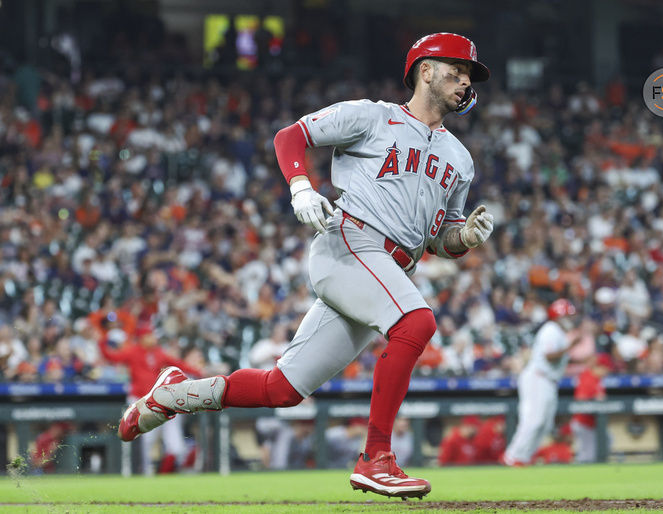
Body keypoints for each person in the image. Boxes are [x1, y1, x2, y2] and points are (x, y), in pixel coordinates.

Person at [116, 32, 493, 499]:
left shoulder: (460, 158)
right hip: (351, 243)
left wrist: (465, 238)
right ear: (425, 70)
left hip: (387, 271)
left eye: (468, 75)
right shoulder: (373, 116)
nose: (463, 81)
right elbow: (290, 136)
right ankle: (376, 458)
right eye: (455, 70)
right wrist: (299, 186)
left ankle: (172, 395)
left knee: (282, 388)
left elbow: (440, 239)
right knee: (416, 322)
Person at [98, 323, 202, 474]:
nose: (153, 338)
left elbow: (178, 364)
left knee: (175, 446)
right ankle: (144, 472)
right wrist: (102, 341)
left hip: (159, 400)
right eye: (150, 335)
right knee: (145, 442)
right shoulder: (133, 351)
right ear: (142, 337)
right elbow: (111, 356)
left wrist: (198, 371)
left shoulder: (158, 352)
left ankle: (165, 473)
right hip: (139, 401)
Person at [503, 299, 583, 466]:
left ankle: (524, 458)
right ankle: (511, 457)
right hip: (538, 377)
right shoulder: (551, 329)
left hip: (548, 380)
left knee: (545, 424)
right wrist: (570, 346)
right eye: (568, 315)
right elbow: (549, 355)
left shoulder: (558, 332)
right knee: (533, 420)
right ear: (559, 316)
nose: (571, 319)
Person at [571, 353, 610, 463]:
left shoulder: (597, 380)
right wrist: (594, 398)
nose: (606, 373)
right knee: (587, 454)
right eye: (605, 369)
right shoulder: (588, 377)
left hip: (591, 424)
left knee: (607, 440)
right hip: (583, 423)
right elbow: (580, 399)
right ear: (599, 367)